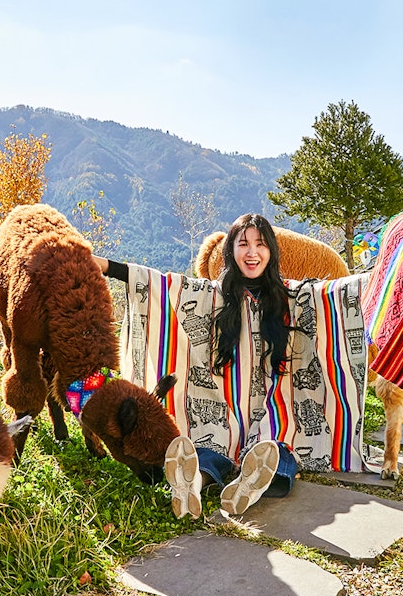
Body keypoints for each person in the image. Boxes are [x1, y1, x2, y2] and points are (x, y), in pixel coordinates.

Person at [95, 213, 372, 518]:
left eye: (260, 244)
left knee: (274, 448)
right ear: (231, 251)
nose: (252, 252)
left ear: (272, 252)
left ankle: (240, 483)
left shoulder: (293, 296)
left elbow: (337, 292)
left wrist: (381, 275)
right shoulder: (211, 295)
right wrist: (107, 267)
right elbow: (162, 284)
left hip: (276, 406)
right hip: (225, 406)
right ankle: (194, 485)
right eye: (244, 244)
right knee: (219, 444)